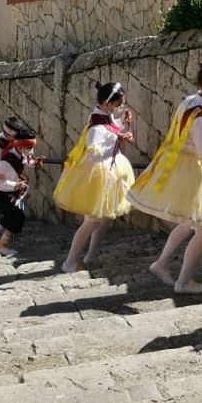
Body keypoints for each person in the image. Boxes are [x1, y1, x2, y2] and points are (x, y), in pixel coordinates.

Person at [130, 60, 202, 294]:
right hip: (196, 172)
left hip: (183, 167)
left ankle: (161, 264)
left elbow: (191, 131)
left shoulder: (191, 102)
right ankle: (183, 282)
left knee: (189, 222)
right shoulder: (201, 115)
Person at [53, 82, 136, 273]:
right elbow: (93, 151)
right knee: (92, 220)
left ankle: (91, 255)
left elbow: (114, 130)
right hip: (98, 175)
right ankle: (70, 262)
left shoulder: (105, 116)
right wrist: (119, 139)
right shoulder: (97, 126)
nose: (120, 107)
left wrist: (124, 125)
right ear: (108, 104)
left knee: (103, 218)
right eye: (119, 104)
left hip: (109, 172)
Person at [0, 125, 39, 257]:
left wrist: (35, 163)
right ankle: (2, 245)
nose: (31, 151)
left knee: (11, 216)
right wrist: (15, 185)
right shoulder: (7, 161)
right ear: (21, 146)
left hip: (8, 192)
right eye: (29, 147)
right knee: (17, 216)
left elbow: (26, 161)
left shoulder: (19, 153)